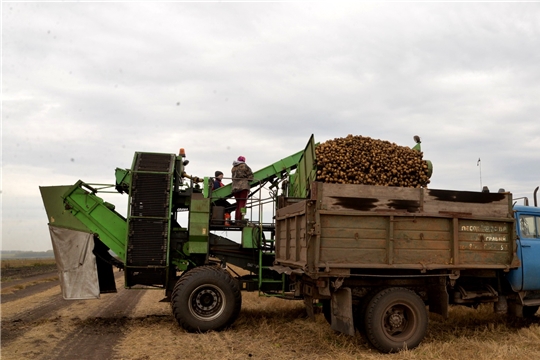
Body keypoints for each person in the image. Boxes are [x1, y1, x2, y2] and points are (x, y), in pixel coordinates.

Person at [231, 156, 253, 222]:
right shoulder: (244, 166)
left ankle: (237, 219)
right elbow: (250, 176)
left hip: (235, 187)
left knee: (238, 204)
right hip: (243, 187)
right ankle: (240, 219)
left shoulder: (233, 168)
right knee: (242, 204)